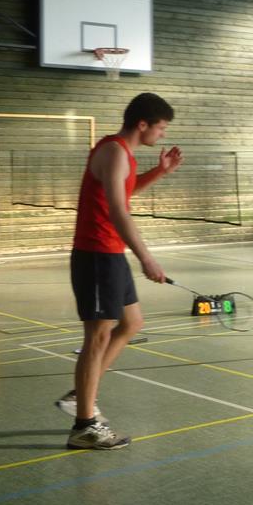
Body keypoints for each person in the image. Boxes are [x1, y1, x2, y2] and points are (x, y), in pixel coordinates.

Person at [56, 93, 182, 450]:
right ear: (142, 124)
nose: (162, 134)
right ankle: (84, 426)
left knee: (131, 323)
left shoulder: (124, 154)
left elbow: (124, 192)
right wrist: (147, 258)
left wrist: (160, 171)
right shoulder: (113, 151)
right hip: (97, 254)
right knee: (97, 337)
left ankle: (79, 394)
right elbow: (117, 210)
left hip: (110, 253)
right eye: (161, 128)